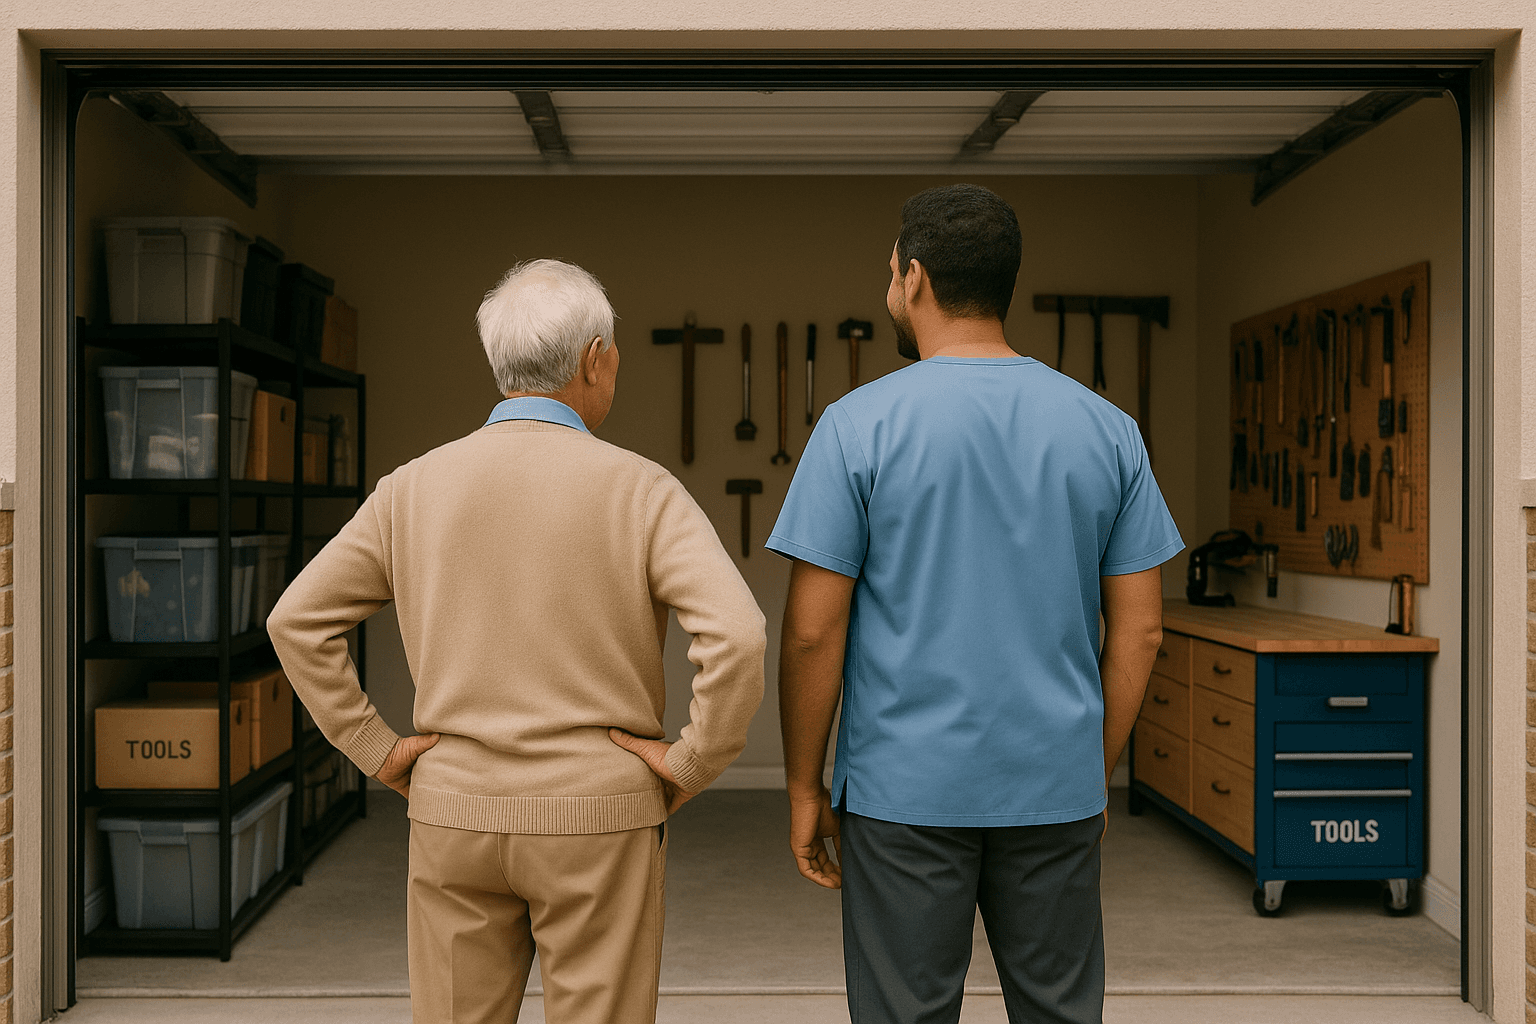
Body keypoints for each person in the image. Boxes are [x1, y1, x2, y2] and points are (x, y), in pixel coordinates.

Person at [269, 258, 766, 1024]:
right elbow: (737, 634)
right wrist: (692, 762)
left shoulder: (411, 488)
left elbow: (296, 620)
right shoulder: (642, 489)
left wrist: (375, 747)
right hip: (600, 817)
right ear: (594, 359)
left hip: (452, 809)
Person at [768, 184, 1182, 1024]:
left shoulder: (855, 426)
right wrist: (1088, 771)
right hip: (1055, 786)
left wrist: (804, 786)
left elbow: (813, 634)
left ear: (914, 277)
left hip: (902, 795)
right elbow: (1141, 631)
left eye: (890, 271)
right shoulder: (1108, 429)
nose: (889, 286)